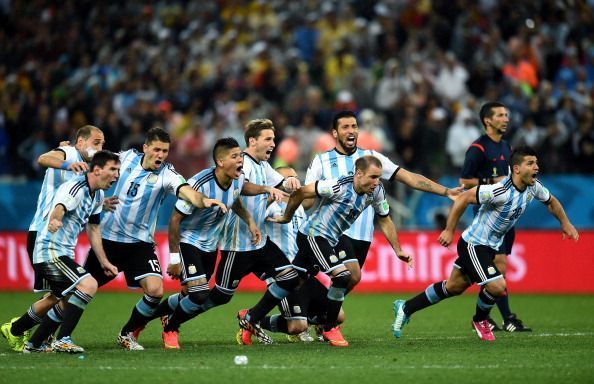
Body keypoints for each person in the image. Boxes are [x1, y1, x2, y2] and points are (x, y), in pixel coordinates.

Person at [392, 146, 579, 341]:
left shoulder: (534, 187)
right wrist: (449, 229)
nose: (536, 167)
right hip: (473, 245)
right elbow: (464, 198)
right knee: (498, 286)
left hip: (488, 248)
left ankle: (406, 307)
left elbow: (551, 201)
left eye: (536, 163)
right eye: (530, 163)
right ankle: (480, 320)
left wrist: (565, 223)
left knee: (454, 287)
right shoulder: (499, 191)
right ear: (516, 169)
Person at [304, 110, 461, 339]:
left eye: (354, 126)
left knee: (348, 279)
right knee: (351, 274)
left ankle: (313, 318)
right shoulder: (322, 161)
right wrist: (292, 198)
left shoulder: (372, 158)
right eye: (345, 127)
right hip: (333, 232)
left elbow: (408, 177)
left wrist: (445, 191)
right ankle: (327, 325)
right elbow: (307, 197)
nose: (351, 131)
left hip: (363, 235)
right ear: (335, 133)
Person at [82, 127, 227, 351]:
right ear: (145, 148)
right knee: (79, 290)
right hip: (107, 240)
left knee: (155, 290)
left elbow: (186, 190)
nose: (160, 155)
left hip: (140, 243)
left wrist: (203, 201)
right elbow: (91, 156)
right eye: (157, 149)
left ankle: (127, 333)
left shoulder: (167, 175)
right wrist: (69, 153)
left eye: (165, 151)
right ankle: (48, 333)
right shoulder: (124, 158)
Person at [142, 137, 277, 349]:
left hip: (212, 244)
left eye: (241, 155)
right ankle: (171, 329)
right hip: (189, 241)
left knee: (189, 295)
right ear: (220, 162)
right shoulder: (199, 184)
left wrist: (250, 221)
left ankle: (143, 319)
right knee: (199, 294)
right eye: (235, 156)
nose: (241, 160)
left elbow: (237, 199)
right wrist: (175, 258)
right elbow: (175, 220)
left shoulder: (237, 179)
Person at [271, 156, 414, 336]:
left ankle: (253, 317)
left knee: (306, 284)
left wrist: (398, 249)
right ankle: (329, 328)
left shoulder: (376, 191)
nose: (377, 182)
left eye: (379, 177)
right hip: (313, 237)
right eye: (373, 177)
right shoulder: (336, 186)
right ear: (359, 174)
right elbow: (302, 193)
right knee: (341, 277)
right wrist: (286, 216)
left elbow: (384, 219)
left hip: (331, 238)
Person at [1, 125, 109, 352]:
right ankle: (46, 337)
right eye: (96, 142)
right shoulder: (69, 153)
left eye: (102, 144)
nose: (100, 147)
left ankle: (18, 331)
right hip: (45, 234)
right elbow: (42, 158)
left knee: (58, 297)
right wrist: (67, 163)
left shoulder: (91, 170)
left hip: (61, 241)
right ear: (80, 142)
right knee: (75, 290)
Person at [21, 151, 121, 353]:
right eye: (113, 169)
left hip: (63, 253)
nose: (116, 175)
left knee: (67, 299)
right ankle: (63, 339)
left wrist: (103, 261)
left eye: (118, 170)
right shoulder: (76, 187)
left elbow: (93, 229)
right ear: (97, 170)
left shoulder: (98, 194)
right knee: (88, 284)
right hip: (49, 250)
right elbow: (59, 207)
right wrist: (55, 219)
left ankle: (33, 344)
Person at [459, 101, 530, 332]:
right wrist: (490, 181)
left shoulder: (507, 146)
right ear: (487, 120)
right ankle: (505, 317)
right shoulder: (478, 149)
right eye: (500, 115)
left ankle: (487, 317)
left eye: (507, 114)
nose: (506, 118)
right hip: (488, 217)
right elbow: (464, 181)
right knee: (498, 266)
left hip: (508, 215)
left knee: (500, 268)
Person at [259, 166, 348, 346]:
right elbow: (254, 216)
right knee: (296, 327)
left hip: (301, 272)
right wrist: (271, 197)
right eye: (288, 178)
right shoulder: (268, 205)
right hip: (282, 275)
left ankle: (306, 320)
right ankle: (254, 319)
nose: (294, 181)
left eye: (295, 177)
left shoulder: (296, 206)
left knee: (337, 316)